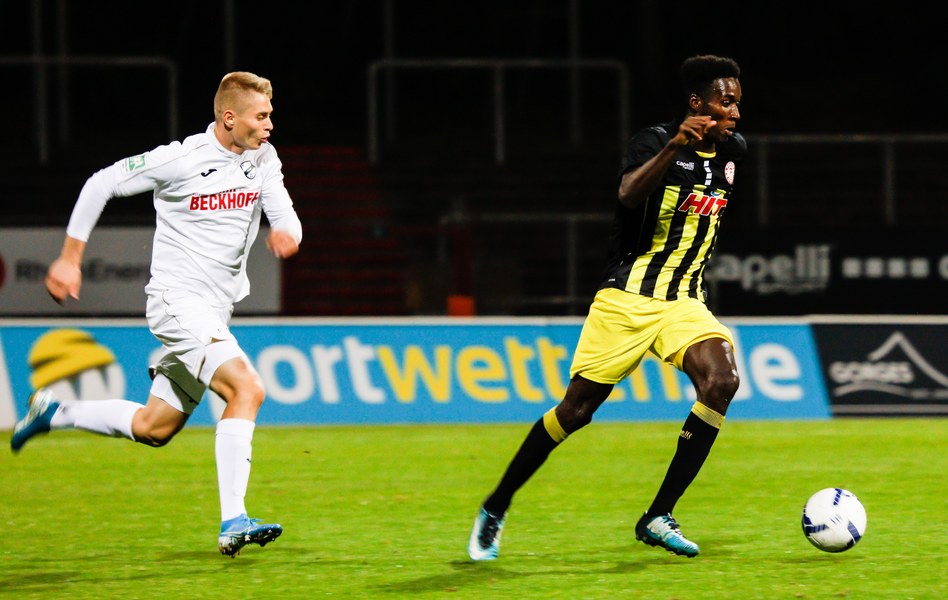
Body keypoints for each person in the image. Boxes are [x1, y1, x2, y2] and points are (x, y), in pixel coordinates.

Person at [11, 71, 303, 558]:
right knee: (247, 388)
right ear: (230, 118)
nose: (270, 124)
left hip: (215, 311)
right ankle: (234, 520)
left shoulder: (263, 158)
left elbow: (284, 211)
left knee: (155, 427)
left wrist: (289, 232)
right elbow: (100, 184)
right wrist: (68, 258)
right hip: (178, 302)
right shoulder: (180, 159)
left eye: (270, 115)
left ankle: (54, 413)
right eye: (262, 116)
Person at [468, 55, 744, 560]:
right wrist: (675, 146)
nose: (735, 114)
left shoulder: (732, 153)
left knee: (722, 381)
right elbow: (628, 194)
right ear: (697, 104)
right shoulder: (654, 141)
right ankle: (497, 503)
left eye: (738, 104)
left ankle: (658, 515)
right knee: (575, 412)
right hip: (627, 298)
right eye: (726, 103)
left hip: (684, 302)